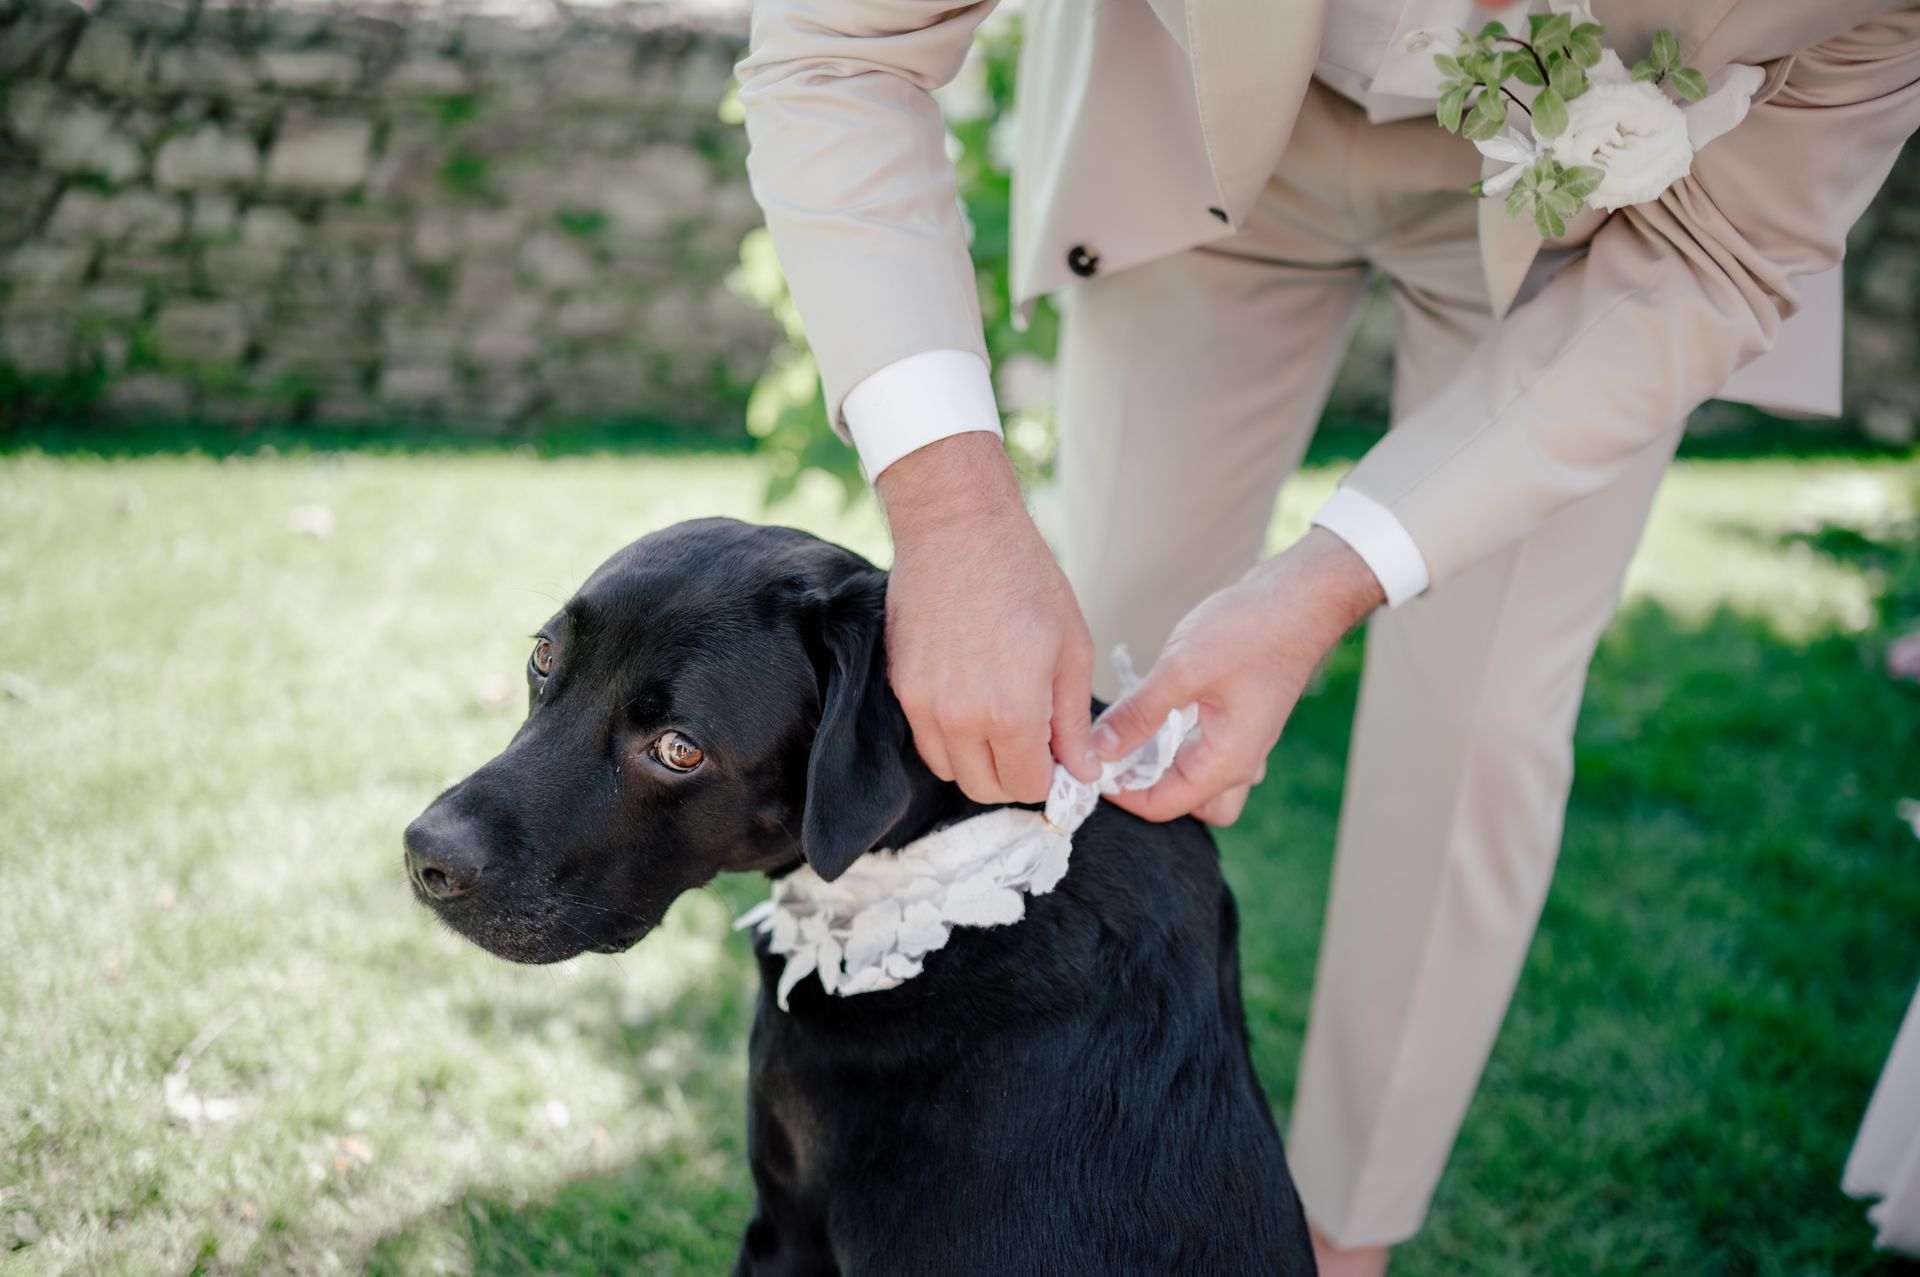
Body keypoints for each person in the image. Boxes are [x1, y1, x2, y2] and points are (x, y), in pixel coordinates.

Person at [735, 0, 1920, 1270]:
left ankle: (1347, 1238)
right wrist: (954, 514)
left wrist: (1326, 582)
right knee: (1095, 676)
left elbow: (1727, 252)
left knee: (1481, 717)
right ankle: (1040, 1148)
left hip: (1597, 230)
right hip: (1200, 129)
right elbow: (839, 45)